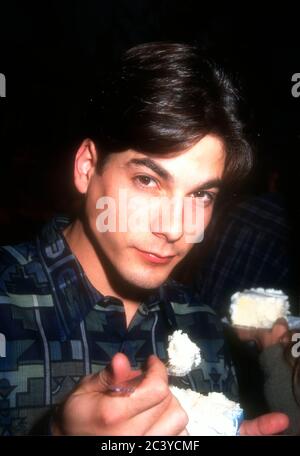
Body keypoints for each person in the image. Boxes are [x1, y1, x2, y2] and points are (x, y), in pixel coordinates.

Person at [0, 42, 288, 436]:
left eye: (201, 195)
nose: (174, 228)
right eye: (147, 180)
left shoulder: (204, 329)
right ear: (87, 167)